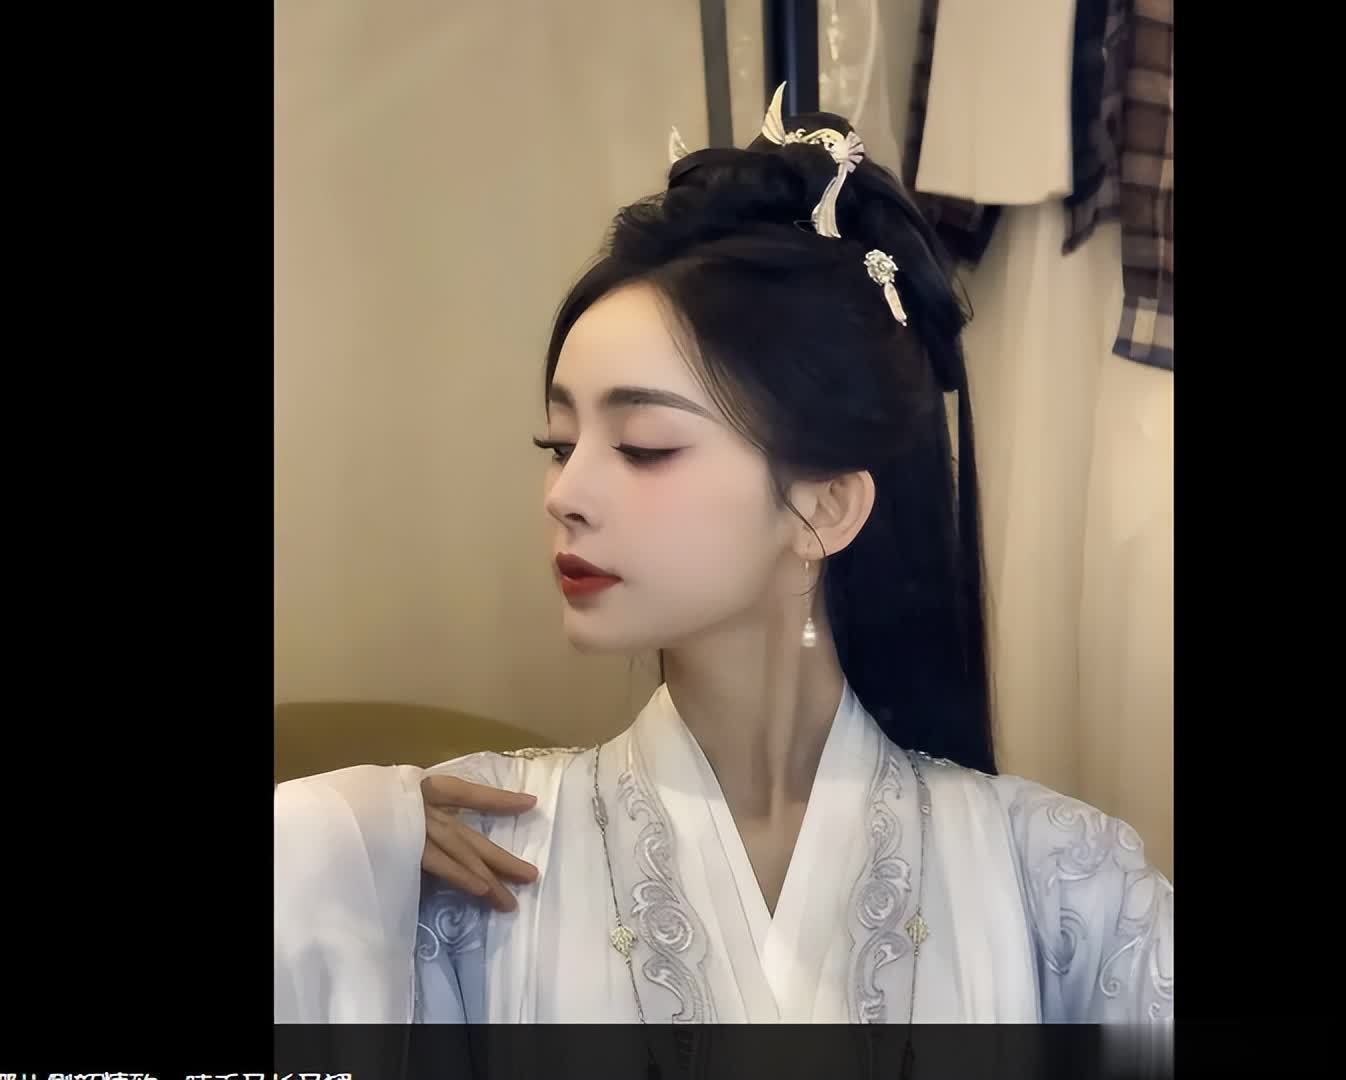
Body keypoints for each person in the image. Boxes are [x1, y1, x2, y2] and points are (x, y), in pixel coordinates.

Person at [274, 85, 1173, 1027]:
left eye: (643, 446)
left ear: (825, 506)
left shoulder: (1060, 882)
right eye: (558, 444)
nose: (565, 493)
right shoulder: (465, 853)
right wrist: (328, 845)